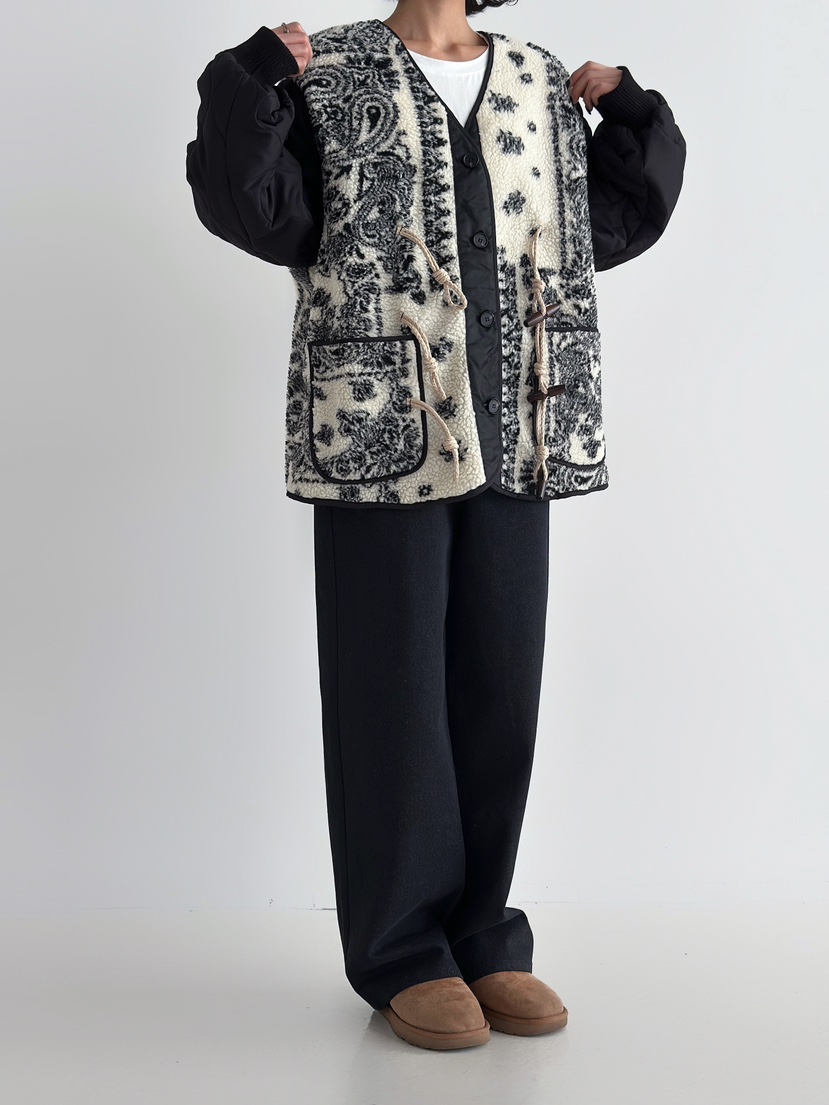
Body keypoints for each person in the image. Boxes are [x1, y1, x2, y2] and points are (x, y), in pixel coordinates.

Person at [186, 0, 686, 1051]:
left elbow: (599, 231)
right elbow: (263, 215)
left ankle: (482, 935)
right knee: (390, 689)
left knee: (500, 685)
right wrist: (247, 81)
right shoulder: (330, 69)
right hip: (378, 422)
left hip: (522, 416)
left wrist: (631, 116)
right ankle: (402, 950)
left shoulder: (538, 77)